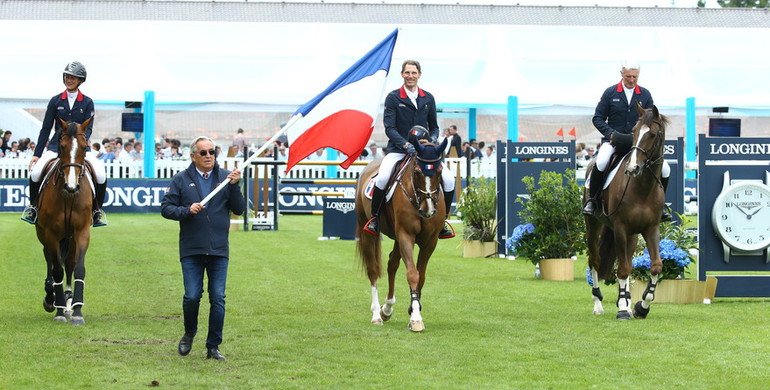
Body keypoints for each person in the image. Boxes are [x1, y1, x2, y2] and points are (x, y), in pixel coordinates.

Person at [161, 136, 245, 361]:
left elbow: (239, 209)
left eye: (212, 152)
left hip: (218, 249)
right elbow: (166, 208)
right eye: (203, 153)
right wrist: (187, 210)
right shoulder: (181, 179)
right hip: (191, 248)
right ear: (193, 156)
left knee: (217, 297)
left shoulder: (226, 178)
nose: (209, 156)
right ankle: (189, 333)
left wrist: (235, 187)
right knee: (191, 296)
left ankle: (213, 346)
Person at [363, 59, 455, 239]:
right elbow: (390, 128)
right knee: (382, 178)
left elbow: (434, 126)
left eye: (413, 73)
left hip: (424, 152)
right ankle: (375, 219)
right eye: (407, 73)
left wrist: (432, 141)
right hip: (399, 149)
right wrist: (406, 145)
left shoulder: (428, 98)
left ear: (419, 74)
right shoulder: (393, 97)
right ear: (402, 74)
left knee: (449, 179)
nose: (410, 76)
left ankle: (443, 220)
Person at [22, 61, 108, 227]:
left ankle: (97, 211)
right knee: (35, 173)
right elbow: (46, 128)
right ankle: (33, 208)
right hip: (57, 146)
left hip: (80, 148)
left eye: (73, 77)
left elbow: (88, 128)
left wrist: (80, 141)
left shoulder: (88, 102)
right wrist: (37, 154)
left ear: (80, 80)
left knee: (101, 173)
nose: (69, 80)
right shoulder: (55, 101)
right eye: (67, 76)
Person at [582, 60, 671, 221]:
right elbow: (598, 118)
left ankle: (661, 205)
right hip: (614, 141)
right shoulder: (610, 93)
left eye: (635, 77)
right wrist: (611, 134)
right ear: (622, 74)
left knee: (665, 168)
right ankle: (592, 201)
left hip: (638, 144)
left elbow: (650, 120)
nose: (631, 80)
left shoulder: (645, 94)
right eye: (628, 76)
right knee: (601, 162)